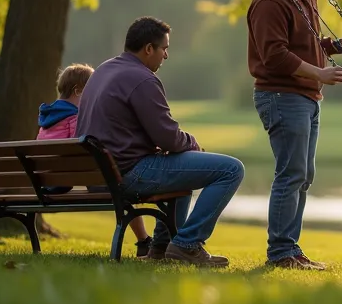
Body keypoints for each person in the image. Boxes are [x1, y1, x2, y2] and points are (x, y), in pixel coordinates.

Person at [76, 16, 245, 267]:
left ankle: (162, 248)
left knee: (183, 165)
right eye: (164, 48)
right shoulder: (141, 78)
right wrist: (192, 143)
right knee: (231, 169)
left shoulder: (103, 71)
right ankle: (187, 244)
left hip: (101, 175)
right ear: (148, 49)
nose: (166, 56)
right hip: (128, 173)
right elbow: (168, 137)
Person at [247, 0, 342, 270]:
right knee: (291, 173)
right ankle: (281, 253)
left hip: (305, 96)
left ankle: (291, 249)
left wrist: (341, 46)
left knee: (304, 174)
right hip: (281, 96)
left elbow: (307, 45)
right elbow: (274, 56)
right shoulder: (272, 0)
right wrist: (319, 73)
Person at [38, 63, 152, 257]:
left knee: (116, 187)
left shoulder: (48, 119)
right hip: (69, 180)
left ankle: (144, 240)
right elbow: (86, 145)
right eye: (92, 91)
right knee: (122, 190)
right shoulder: (74, 118)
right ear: (79, 91)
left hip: (46, 183)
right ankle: (144, 240)